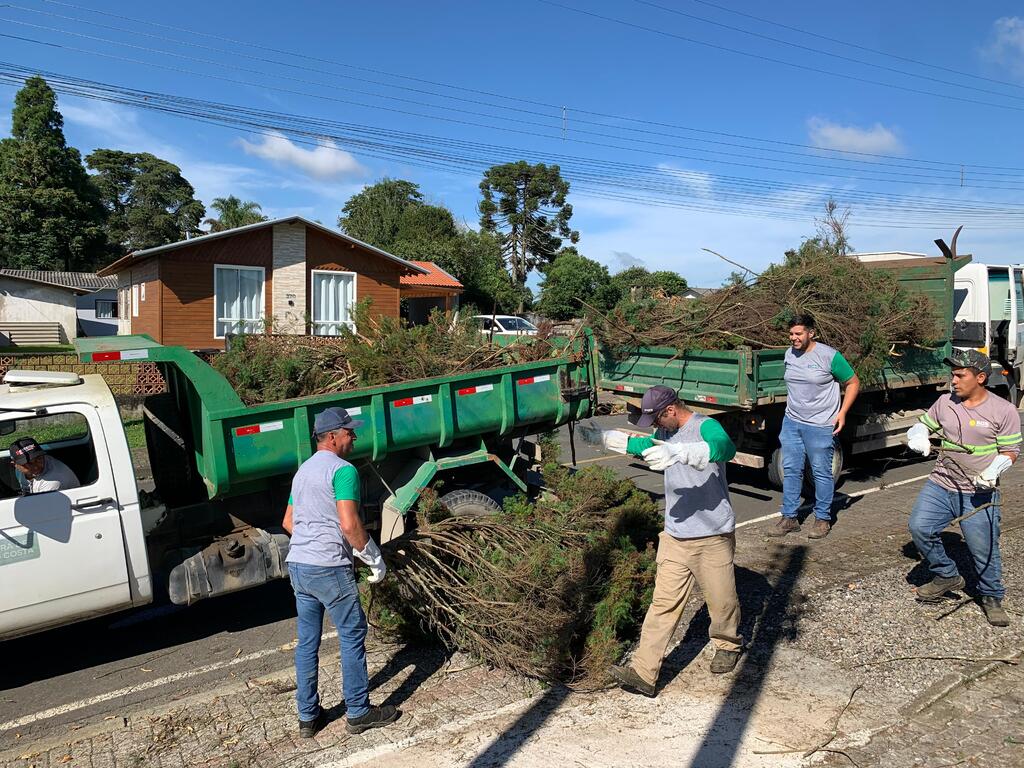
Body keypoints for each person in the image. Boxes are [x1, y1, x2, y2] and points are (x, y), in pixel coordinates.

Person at [596, 384, 743, 696]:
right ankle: (643, 672)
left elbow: (725, 448)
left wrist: (681, 452)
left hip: (712, 536)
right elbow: (645, 445)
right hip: (675, 536)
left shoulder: (705, 426)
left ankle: (728, 645)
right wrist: (610, 440)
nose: (656, 427)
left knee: (722, 601)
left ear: (671, 410)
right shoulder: (665, 432)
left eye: (657, 419)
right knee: (662, 605)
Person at [282, 407, 399, 737]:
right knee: (351, 634)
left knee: (308, 642)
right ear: (332, 437)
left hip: (299, 565)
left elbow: (288, 522)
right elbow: (349, 524)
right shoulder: (343, 471)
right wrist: (374, 559)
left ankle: (307, 717)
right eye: (349, 432)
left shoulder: (302, 472)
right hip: (328, 567)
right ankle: (359, 712)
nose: (354, 437)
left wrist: (314, 542)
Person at [905, 350, 1019, 627]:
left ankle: (992, 596)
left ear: (980, 378)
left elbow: (1010, 451)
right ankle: (946, 574)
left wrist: (993, 471)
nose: (953, 380)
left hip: (979, 492)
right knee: (920, 527)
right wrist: (918, 434)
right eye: (952, 374)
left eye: (960, 375)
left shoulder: (1003, 410)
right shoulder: (945, 402)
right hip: (941, 482)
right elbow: (924, 424)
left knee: (983, 548)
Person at [769, 313, 860, 540]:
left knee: (821, 472)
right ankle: (789, 518)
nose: (794, 338)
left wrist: (842, 412)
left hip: (820, 425)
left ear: (811, 333)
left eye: (798, 333)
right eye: (791, 334)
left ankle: (822, 518)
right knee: (791, 470)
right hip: (792, 422)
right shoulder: (789, 354)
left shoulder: (829, 356)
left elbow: (852, 382)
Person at [9, 437, 80, 494]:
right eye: (28, 464)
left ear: (43, 455)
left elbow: (41, 506)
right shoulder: (19, 470)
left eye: (38, 459)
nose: (35, 467)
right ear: (15, 465)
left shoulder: (52, 481)